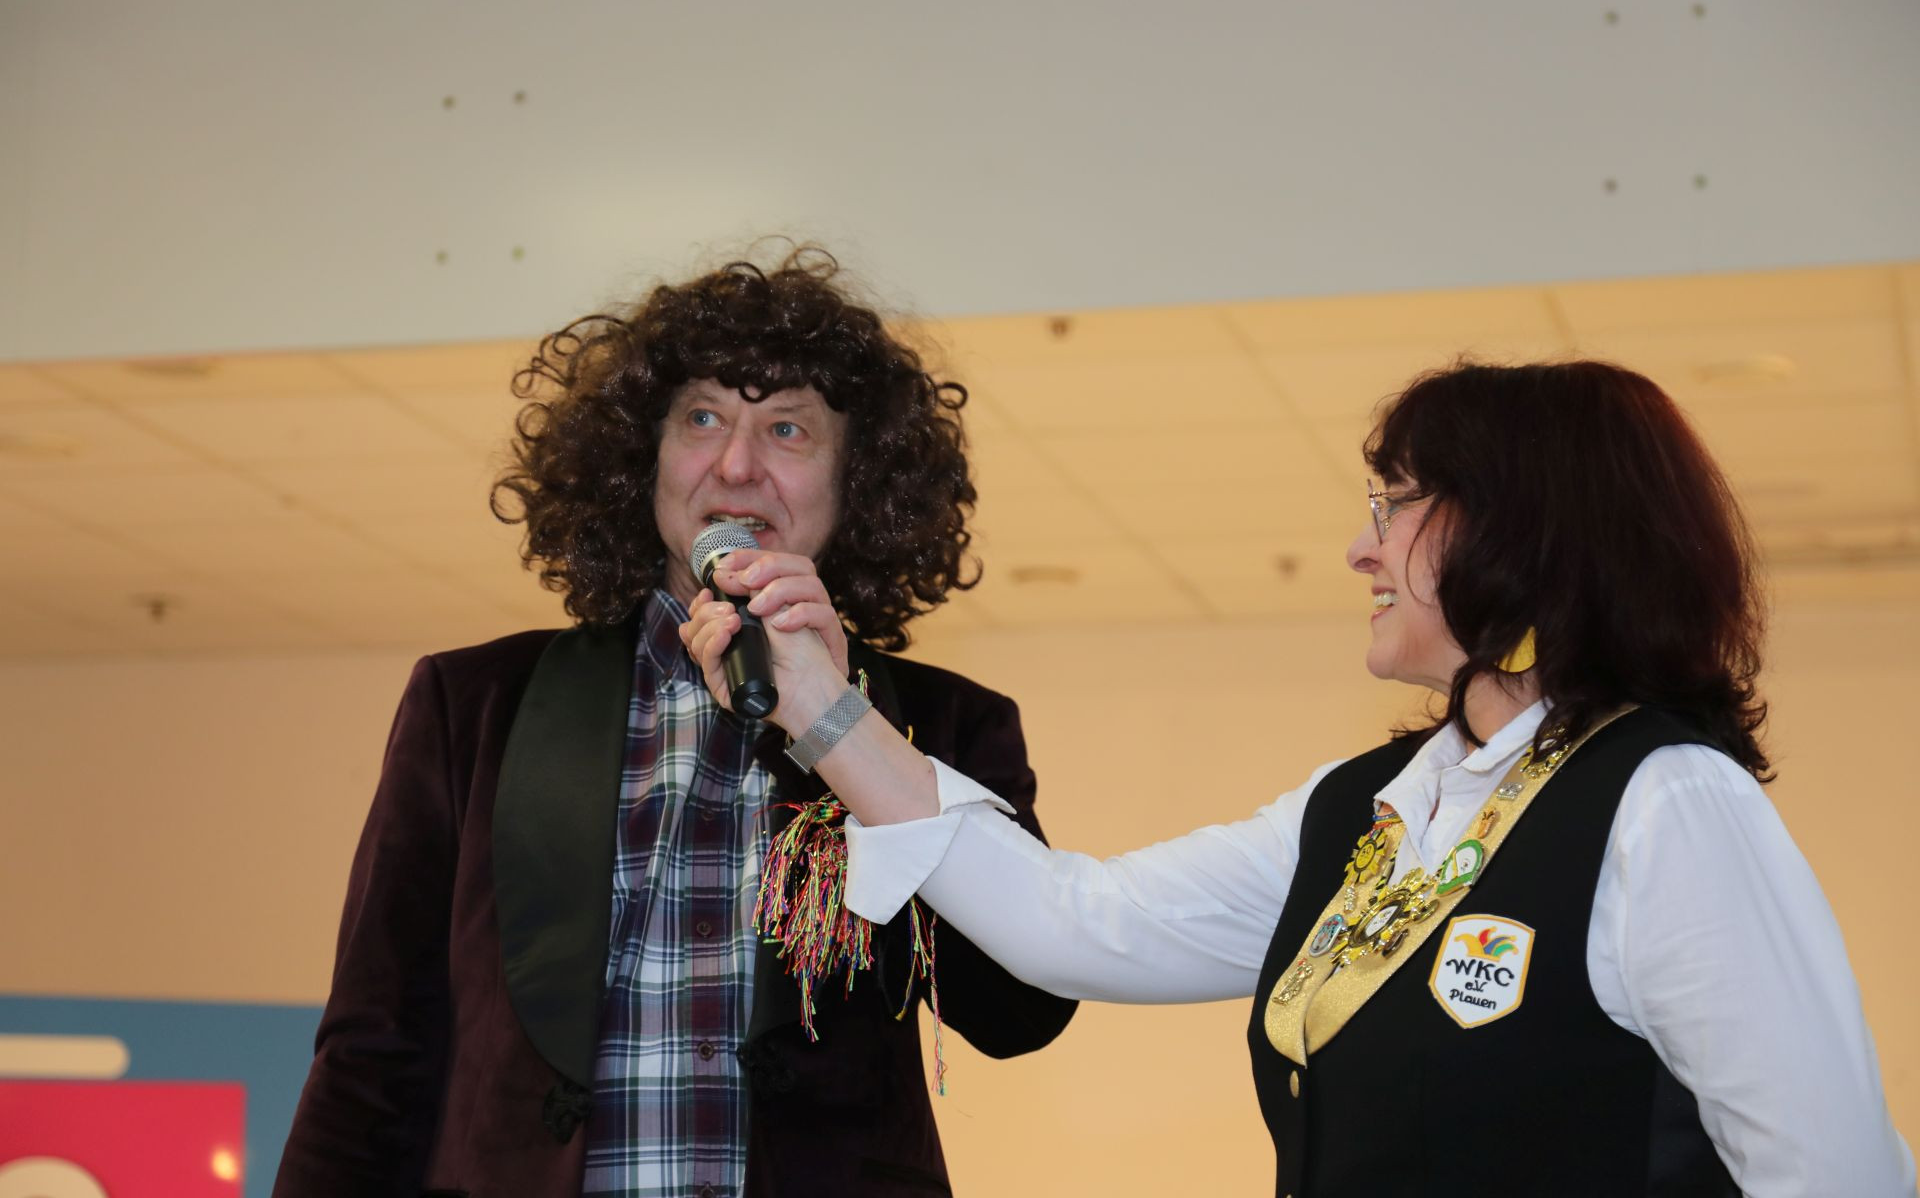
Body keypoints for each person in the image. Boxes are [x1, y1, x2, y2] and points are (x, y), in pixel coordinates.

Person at [685, 359, 1918, 1197]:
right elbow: (1073, 922)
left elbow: (1835, 1173)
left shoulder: (1664, 802)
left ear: (1525, 532)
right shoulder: (1368, 804)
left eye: (1398, 503)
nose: (1359, 546)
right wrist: (825, 709)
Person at [274, 246, 1076, 1198]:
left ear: (855, 480)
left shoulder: (942, 725)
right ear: (640, 457)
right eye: (702, 418)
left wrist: (837, 722)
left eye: (787, 429)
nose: (736, 465)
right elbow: (372, 1051)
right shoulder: (474, 705)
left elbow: (1021, 1009)